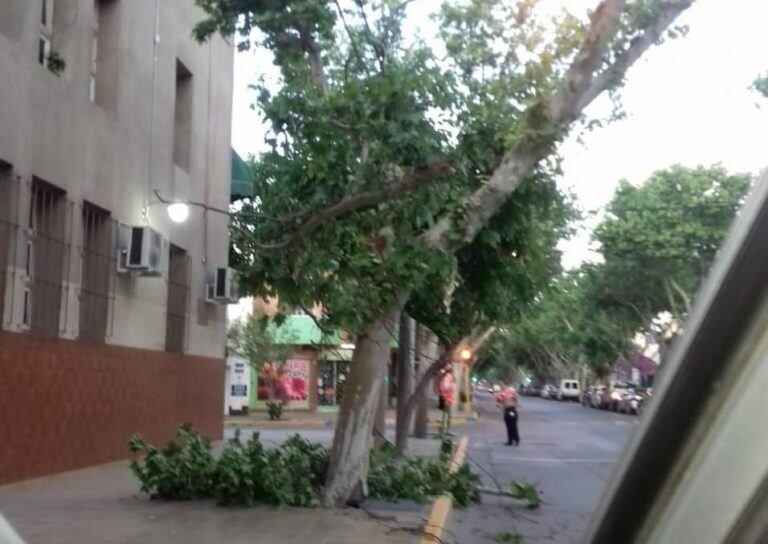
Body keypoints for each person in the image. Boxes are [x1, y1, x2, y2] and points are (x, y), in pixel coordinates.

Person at [437, 366, 456, 435]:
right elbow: (445, 388)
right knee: (446, 416)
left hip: (447, 399)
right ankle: (445, 430)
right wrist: (452, 385)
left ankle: (445, 430)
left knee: (446, 415)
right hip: (447, 399)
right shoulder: (447, 378)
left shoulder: (446, 377)